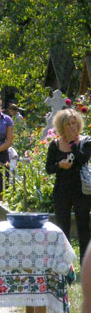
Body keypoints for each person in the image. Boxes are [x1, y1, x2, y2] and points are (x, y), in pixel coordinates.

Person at [46, 109, 91, 263]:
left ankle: (85, 264)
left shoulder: (86, 142)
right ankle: (64, 262)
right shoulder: (55, 144)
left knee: (83, 227)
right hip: (62, 190)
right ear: (61, 126)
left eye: (74, 123)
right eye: (68, 124)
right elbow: (48, 168)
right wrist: (60, 165)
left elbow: (83, 158)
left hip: (81, 190)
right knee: (62, 227)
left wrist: (73, 143)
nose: (72, 127)